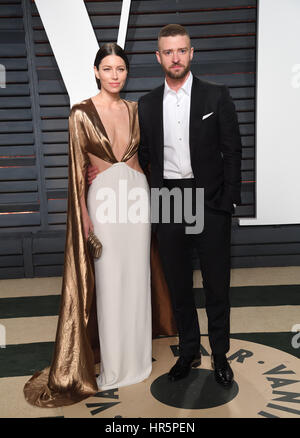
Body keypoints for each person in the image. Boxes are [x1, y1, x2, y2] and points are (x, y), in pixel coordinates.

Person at [88, 24, 242, 388]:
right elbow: (140, 155)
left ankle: (220, 355)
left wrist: (227, 200)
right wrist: (101, 169)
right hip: (170, 199)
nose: (176, 57)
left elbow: (233, 150)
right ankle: (189, 351)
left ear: (192, 53)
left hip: (209, 199)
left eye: (182, 50)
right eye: (168, 52)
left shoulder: (217, 96)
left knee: (217, 284)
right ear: (159, 57)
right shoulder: (147, 103)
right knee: (178, 284)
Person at [23, 43, 175, 408]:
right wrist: (84, 216)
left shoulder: (137, 111)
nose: (114, 75)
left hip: (136, 200)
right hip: (103, 203)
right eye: (107, 69)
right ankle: (112, 366)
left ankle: (137, 362)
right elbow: (77, 172)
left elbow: (149, 158)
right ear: (96, 72)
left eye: (120, 69)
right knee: (108, 284)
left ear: (126, 72)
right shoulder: (80, 114)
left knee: (137, 280)